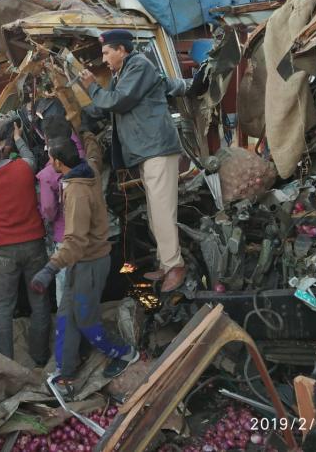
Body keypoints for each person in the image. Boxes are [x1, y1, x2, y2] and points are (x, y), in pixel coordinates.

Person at [30, 131, 138, 395]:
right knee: (67, 316)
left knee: (87, 320)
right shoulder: (87, 168)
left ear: (57, 162)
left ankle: (124, 353)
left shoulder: (77, 192)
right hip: (80, 262)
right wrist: (86, 131)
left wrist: (50, 268)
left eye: (49, 157)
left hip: (90, 262)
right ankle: (66, 373)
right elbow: (94, 152)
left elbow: (75, 241)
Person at [79, 29, 187, 293]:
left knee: (162, 213)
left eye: (106, 53)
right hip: (148, 151)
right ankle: (165, 263)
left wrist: (92, 86)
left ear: (121, 50)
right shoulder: (122, 73)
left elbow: (117, 101)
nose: (104, 59)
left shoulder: (139, 66)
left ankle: (176, 266)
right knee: (155, 214)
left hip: (157, 149)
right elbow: (103, 107)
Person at [0, 122, 50, 366]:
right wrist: (17, 138)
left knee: (3, 307)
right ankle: (39, 356)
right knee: (40, 302)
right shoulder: (23, 168)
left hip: (5, 251)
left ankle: (7, 364)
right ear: (0, 147)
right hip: (34, 246)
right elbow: (28, 156)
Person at [36, 115, 85, 307]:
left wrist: (41, 210)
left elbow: (48, 210)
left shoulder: (49, 174)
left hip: (65, 238)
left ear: (47, 140)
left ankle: (68, 333)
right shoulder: (84, 159)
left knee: (65, 290)